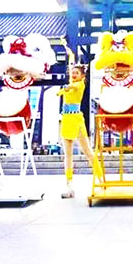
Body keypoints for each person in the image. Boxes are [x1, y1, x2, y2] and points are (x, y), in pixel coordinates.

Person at [57, 44, 102, 198]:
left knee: (88, 152)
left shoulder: (79, 84)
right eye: (72, 72)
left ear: (82, 76)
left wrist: (65, 88)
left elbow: (73, 86)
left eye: (77, 73)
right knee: (67, 155)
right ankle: (69, 186)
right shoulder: (71, 81)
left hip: (76, 119)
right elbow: (71, 64)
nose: (74, 74)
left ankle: (101, 179)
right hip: (66, 119)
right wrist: (69, 52)